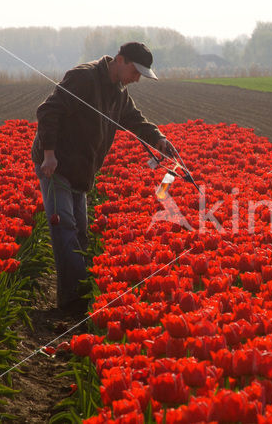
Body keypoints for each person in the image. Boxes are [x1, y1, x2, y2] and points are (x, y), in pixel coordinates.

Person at [31, 42, 174, 314]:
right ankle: (75, 301)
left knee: (81, 234)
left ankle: (75, 296)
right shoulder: (83, 77)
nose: (137, 78)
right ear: (119, 60)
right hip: (57, 165)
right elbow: (48, 111)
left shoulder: (118, 92)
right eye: (135, 70)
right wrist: (49, 153)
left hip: (81, 168)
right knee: (65, 228)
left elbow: (133, 118)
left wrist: (158, 138)